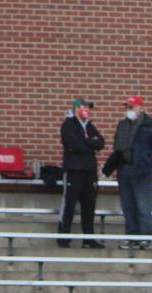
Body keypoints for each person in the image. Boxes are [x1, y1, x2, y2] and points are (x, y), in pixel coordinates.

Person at [103, 96, 152, 250]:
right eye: (127, 107)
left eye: (131, 107)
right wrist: (108, 169)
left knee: (143, 206)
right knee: (128, 207)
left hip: (142, 171)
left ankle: (144, 237)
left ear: (140, 108)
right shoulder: (122, 125)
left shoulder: (151, 125)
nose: (128, 110)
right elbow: (118, 150)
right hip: (124, 170)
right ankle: (132, 237)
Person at [58, 99, 104, 249]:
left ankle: (88, 238)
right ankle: (63, 237)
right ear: (76, 108)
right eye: (84, 107)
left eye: (88, 107)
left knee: (89, 205)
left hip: (89, 171)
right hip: (73, 170)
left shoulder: (90, 126)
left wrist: (87, 142)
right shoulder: (68, 124)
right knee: (69, 204)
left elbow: (100, 143)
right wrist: (90, 144)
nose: (86, 110)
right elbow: (73, 144)